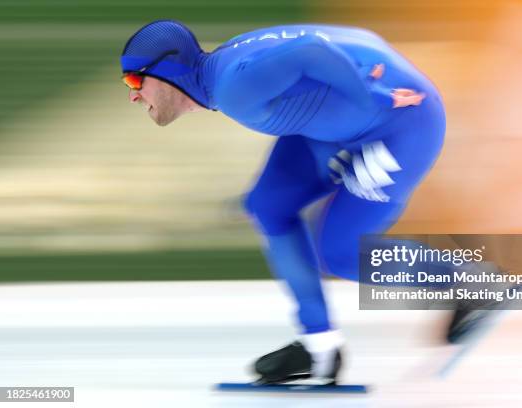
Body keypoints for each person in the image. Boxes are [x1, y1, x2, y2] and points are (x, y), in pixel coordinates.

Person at [121, 20, 450, 384]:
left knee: (340, 254)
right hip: (342, 124)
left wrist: (365, 97)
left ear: (168, 72)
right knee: (269, 206)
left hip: (402, 123)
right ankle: (320, 348)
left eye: (135, 81)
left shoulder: (234, 87)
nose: (134, 95)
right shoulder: (226, 68)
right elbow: (355, 39)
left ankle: (473, 283)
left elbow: (313, 49)